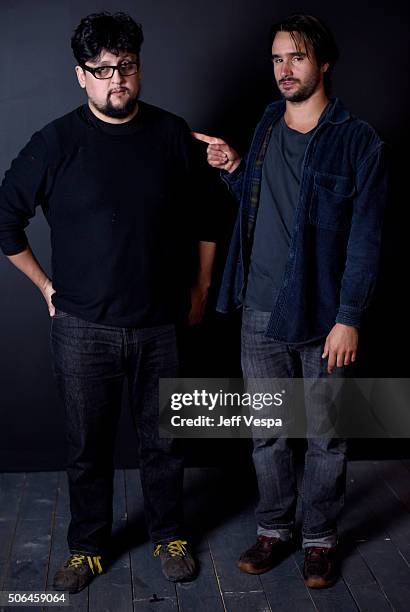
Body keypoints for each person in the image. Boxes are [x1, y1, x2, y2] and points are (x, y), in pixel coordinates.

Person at [0, 12, 216, 593]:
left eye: (126, 66)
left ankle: (170, 533)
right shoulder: (54, 143)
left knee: (166, 442)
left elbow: (208, 214)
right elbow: (5, 221)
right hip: (82, 328)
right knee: (86, 449)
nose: (115, 79)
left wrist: (199, 288)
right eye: (101, 70)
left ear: (139, 67)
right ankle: (88, 546)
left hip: (161, 323)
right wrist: (47, 288)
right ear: (81, 76)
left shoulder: (173, 134)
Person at [193, 13, 387, 588]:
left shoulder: (359, 142)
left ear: (323, 62)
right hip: (257, 309)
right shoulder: (266, 125)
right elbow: (260, 203)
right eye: (277, 58)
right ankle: (275, 529)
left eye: (296, 57)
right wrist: (232, 167)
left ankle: (321, 538)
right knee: (268, 430)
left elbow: (365, 241)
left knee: (326, 433)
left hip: (324, 314)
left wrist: (349, 319)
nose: (284, 69)